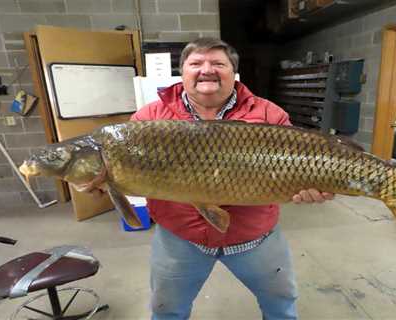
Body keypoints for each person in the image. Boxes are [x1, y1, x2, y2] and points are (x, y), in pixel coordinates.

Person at [130, 37, 334, 320]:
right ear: (182, 71)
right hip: (180, 238)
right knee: (166, 311)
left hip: (255, 237)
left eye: (218, 63)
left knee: (282, 306)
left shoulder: (268, 114)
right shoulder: (149, 119)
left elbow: (301, 164)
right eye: (196, 63)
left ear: (233, 72)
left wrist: (311, 189)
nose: (207, 70)